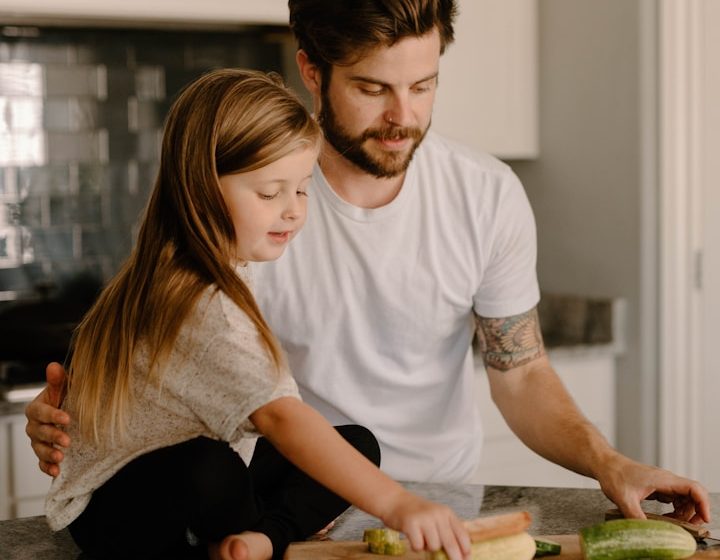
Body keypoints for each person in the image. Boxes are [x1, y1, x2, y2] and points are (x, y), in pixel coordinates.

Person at [27, 0, 710, 527]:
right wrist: (80, 424)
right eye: (373, 88)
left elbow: (521, 371)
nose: (402, 117)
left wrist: (608, 463)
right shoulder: (252, 208)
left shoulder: (487, 193)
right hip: (287, 506)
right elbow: (163, 355)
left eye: (423, 85)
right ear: (312, 71)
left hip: (443, 505)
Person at [42, 68, 472, 560]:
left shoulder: (201, 265)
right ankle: (242, 535)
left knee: (354, 445)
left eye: (302, 188)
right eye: (270, 193)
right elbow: (281, 418)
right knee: (211, 467)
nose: (292, 210)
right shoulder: (201, 304)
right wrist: (398, 504)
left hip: (189, 482)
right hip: (119, 513)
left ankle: (260, 539)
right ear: (202, 187)